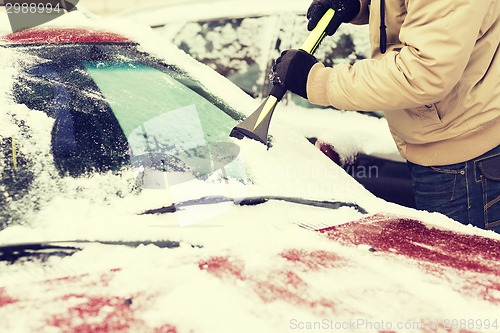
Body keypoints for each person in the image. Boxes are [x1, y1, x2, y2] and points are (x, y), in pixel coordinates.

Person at [271, 0, 500, 233]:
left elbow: (421, 74)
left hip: (464, 165)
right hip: (445, 150)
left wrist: (319, 81)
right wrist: (359, 6)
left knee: (457, 266)